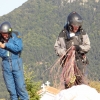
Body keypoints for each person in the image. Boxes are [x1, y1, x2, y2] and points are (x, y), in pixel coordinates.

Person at [54, 11, 91, 88]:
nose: (76, 28)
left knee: (82, 84)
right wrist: (65, 52)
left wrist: (79, 48)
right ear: (70, 25)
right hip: (67, 63)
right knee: (68, 84)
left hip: (80, 62)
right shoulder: (63, 34)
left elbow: (87, 46)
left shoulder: (82, 33)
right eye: (74, 26)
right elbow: (56, 47)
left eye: (78, 26)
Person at [0, 21, 29, 100]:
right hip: (6, 65)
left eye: (6, 33)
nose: (5, 35)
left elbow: (18, 48)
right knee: (12, 91)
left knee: (21, 88)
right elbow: (2, 54)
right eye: (3, 33)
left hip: (16, 63)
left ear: (9, 32)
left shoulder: (16, 35)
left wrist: (6, 45)